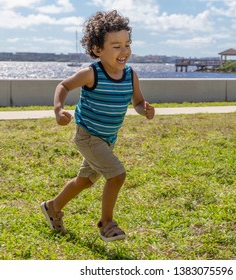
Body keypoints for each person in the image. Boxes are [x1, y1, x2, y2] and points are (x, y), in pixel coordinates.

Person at [40, 10, 155, 242]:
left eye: (126, 44)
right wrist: (58, 109)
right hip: (88, 136)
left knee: (85, 181)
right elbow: (63, 85)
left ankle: (53, 206)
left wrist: (145, 110)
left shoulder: (131, 75)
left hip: (106, 139)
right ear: (97, 50)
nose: (124, 51)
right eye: (116, 46)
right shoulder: (92, 73)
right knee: (117, 175)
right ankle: (106, 223)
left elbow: (138, 102)